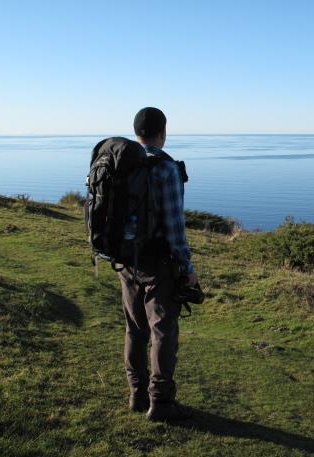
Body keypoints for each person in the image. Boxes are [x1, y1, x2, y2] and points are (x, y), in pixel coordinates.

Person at [118, 107, 197, 421]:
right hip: (157, 263)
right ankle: (160, 402)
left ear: (136, 132)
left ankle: (136, 394)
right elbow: (175, 226)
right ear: (163, 132)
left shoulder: (122, 163)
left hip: (125, 260)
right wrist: (187, 267)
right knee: (163, 331)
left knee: (134, 328)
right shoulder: (166, 169)